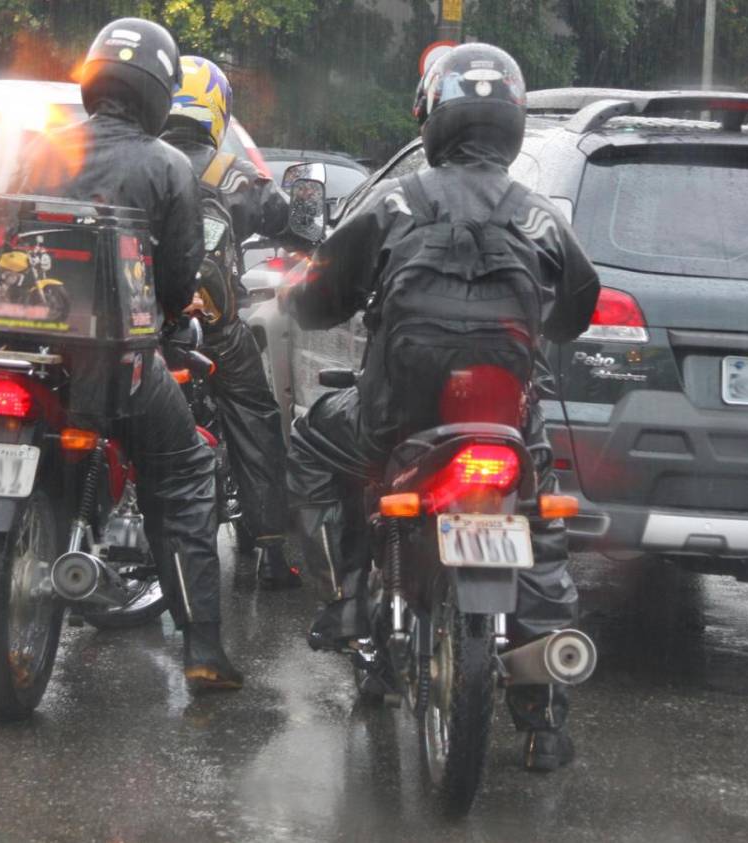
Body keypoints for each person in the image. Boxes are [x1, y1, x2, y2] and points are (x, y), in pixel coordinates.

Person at [278, 43, 601, 771]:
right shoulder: (540, 214)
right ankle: (544, 717)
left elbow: (317, 300)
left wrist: (305, 296)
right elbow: (578, 307)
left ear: (433, 119)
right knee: (537, 521)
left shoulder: (395, 202)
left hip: (396, 418)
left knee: (308, 443)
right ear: (512, 124)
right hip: (506, 421)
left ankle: (342, 604)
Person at [15, 18, 242, 690]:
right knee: (184, 474)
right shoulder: (169, 167)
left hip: (32, 351)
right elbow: (176, 284)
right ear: (156, 94)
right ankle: (202, 647)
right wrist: (171, 316)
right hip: (118, 363)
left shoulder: (42, 152)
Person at [160, 55, 302, 590]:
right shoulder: (231, 173)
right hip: (212, 329)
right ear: (217, 109)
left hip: (135, 326)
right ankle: (270, 549)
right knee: (257, 419)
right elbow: (294, 223)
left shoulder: (139, 159)